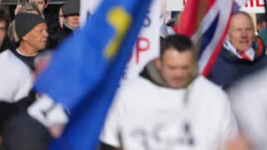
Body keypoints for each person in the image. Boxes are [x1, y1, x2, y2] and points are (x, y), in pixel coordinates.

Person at [100, 35, 237, 149]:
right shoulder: (128, 95)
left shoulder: (214, 98)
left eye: (185, 68)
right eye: (172, 68)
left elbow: (232, 144)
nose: (179, 74)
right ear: (159, 63)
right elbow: (110, 142)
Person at [208, 12, 267, 89]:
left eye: (248, 29)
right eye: (238, 30)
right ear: (228, 35)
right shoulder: (212, 67)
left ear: (254, 33)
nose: (244, 35)